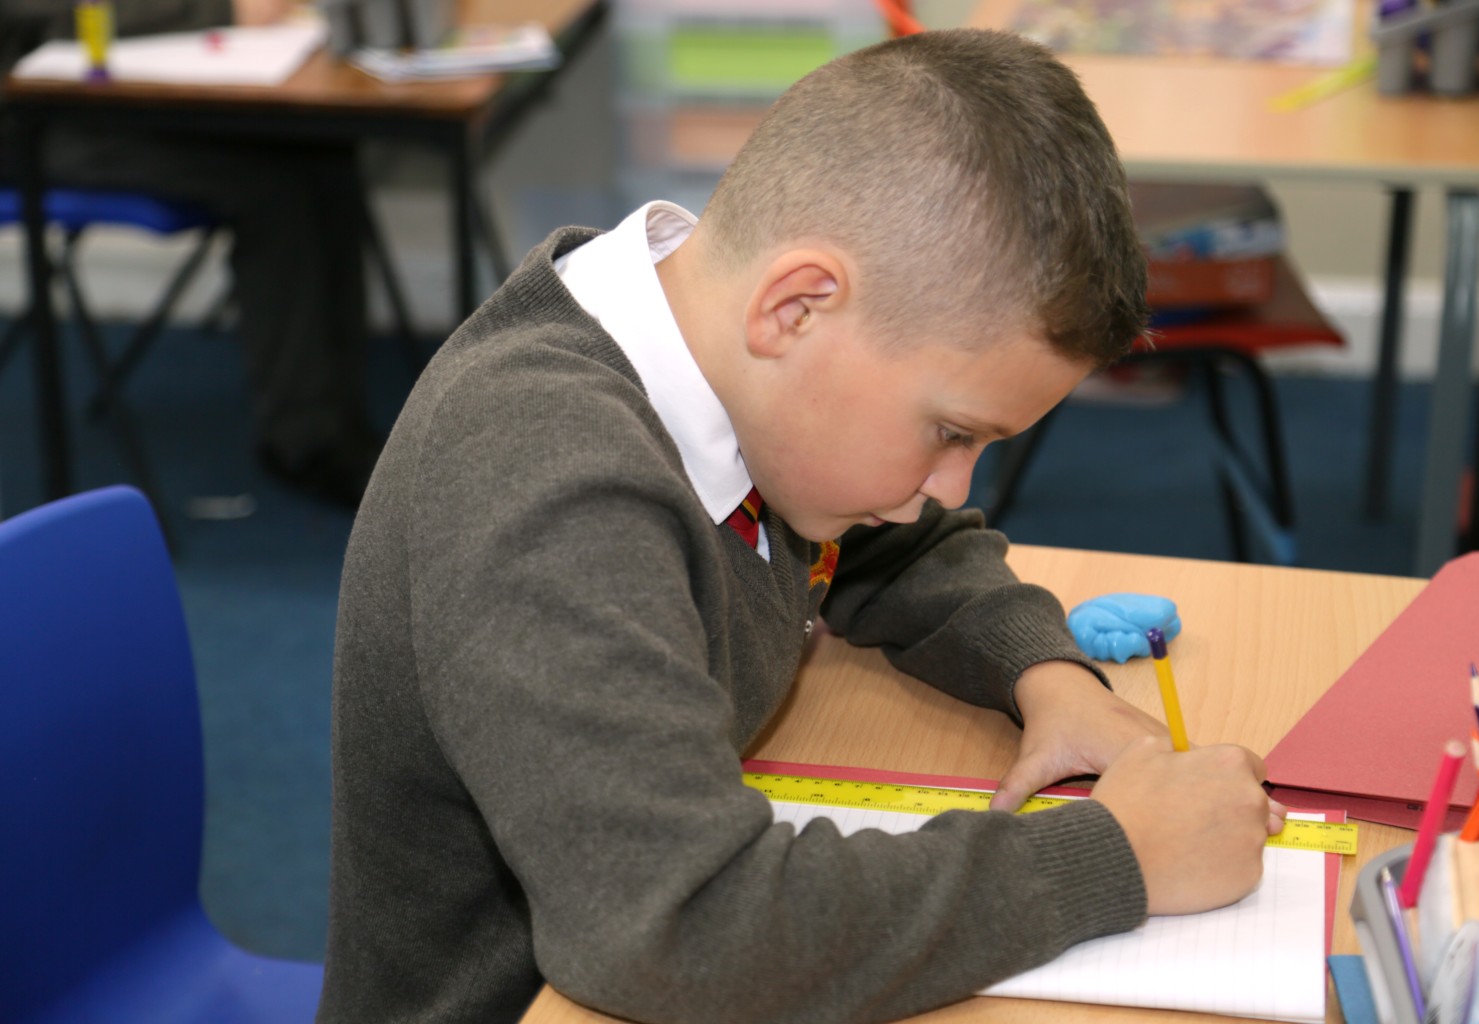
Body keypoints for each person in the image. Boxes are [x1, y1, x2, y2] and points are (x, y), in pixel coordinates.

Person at [320, 27, 1286, 1024]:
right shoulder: (546, 481)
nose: (952, 487)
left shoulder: (732, 370)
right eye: (950, 431)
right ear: (797, 307)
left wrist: (1045, 676)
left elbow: (902, 545)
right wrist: (1115, 856)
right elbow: (679, 931)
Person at [0, 0, 380, 507]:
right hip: (36, 120)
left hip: (126, 92)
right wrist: (222, 10)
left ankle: (343, 416)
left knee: (324, 157)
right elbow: (61, 14)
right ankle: (306, 441)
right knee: (272, 190)